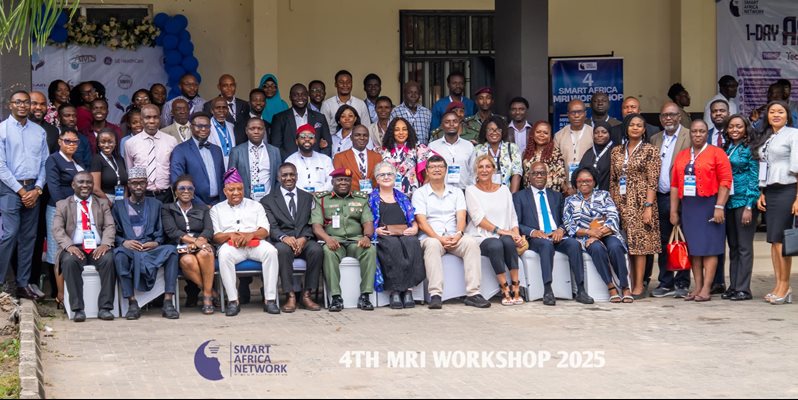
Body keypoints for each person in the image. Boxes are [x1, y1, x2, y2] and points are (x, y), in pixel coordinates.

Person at [413, 155, 489, 309]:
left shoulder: (456, 192)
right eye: (433, 167)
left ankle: (473, 294)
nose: (436, 170)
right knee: (433, 245)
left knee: (471, 243)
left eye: (440, 166)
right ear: (427, 171)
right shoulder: (419, 193)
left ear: (446, 170)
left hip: (455, 236)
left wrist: (459, 233)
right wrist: (438, 238)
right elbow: (421, 221)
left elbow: (461, 215)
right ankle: (435, 294)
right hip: (432, 236)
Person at [670, 119, 732, 302]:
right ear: (690, 134)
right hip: (689, 206)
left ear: (707, 134)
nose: (698, 135)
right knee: (694, 249)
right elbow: (674, 185)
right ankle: (697, 286)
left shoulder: (717, 153)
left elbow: (726, 181)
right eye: (694, 131)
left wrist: (719, 206)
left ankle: (707, 288)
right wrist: (674, 211)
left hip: (710, 205)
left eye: (702, 131)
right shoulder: (681, 155)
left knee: (710, 248)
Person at [515, 161, 594, 305]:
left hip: (557, 235)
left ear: (547, 176)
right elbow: (516, 223)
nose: (539, 176)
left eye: (542, 173)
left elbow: (567, 219)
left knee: (574, 244)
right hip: (537, 238)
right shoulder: (519, 197)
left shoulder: (557, 196)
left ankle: (581, 290)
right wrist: (533, 232)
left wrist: (561, 229)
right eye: (535, 173)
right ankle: (547, 290)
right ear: (529, 177)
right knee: (546, 245)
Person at [111, 166, 179, 320]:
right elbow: (113, 232)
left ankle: (168, 302)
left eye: (141, 183)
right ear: (128, 184)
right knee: (119, 255)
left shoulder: (155, 204)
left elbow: (161, 231)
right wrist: (124, 242)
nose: (138, 187)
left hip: (150, 248)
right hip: (130, 248)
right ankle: (132, 303)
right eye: (134, 183)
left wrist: (156, 243)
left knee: (172, 251)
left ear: (147, 183)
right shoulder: (119, 206)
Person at [211, 168, 281, 316]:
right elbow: (216, 236)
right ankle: (233, 301)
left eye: (239, 189)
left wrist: (250, 235)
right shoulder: (216, 209)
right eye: (232, 190)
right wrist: (231, 235)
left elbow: (265, 230)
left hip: (254, 243)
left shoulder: (256, 205)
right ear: (225, 191)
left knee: (272, 251)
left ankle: (270, 300)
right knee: (223, 255)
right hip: (232, 247)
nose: (236, 193)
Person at [0, 90, 48, 300]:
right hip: (10, 189)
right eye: (18, 102)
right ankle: (1, 282)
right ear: (10, 105)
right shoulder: (2, 130)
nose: (22, 106)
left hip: (33, 189)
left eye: (26, 103)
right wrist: (21, 191)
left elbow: (46, 163)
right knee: (9, 234)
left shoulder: (39, 132)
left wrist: (37, 189)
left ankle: (22, 284)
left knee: (29, 238)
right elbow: (0, 166)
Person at [51, 172, 116, 322]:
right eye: (81, 182)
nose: (85, 185)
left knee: (109, 260)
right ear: (73, 185)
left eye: (89, 182)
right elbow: (57, 229)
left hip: (98, 247)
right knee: (69, 262)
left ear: (93, 185)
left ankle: (105, 308)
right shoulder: (63, 204)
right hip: (74, 247)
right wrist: (69, 246)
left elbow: (110, 226)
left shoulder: (102, 203)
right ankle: (78, 309)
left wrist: (106, 244)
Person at [310, 168, 377, 312]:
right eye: (339, 180)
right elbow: (316, 226)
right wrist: (327, 239)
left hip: (355, 241)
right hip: (334, 242)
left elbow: (368, 223)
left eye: (346, 180)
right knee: (328, 252)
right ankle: (335, 297)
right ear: (332, 182)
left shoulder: (361, 198)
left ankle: (365, 296)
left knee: (370, 250)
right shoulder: (321, 199)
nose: (343, 183)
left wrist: (367, 237)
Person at [609, 113, 661, 299]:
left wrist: (648, 206)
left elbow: (652, 181)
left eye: (639, 125)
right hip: (621, 204)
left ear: (644, 130)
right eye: (632, 125)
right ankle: (627, 284)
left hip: (641, 203)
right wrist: (612, 207)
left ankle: (639, 285)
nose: (636, 128)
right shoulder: (616, 151)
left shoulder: (650, 150)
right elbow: (613, 181)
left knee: (640, 247)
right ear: (626, 128)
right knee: (626, 245)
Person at [563, 166, 632, 303]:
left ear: (594, 182)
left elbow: (613, 216)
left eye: (588, 180)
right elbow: (569, 225)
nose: (584, 183)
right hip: (585, 237)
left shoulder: (604, 195)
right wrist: (589, 233)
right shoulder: (570, 201)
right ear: (575, 183)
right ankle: (610, 286)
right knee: (596, 249)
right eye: (580, 181)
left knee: (615, 247)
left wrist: (597, 235)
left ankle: (625, 286)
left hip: (607, 233)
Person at [752, 100, 798, 304]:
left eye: (780, 112)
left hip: (788, 190)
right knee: (773, 241)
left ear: (787, 115)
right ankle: (778, 284)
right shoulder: (768, 136)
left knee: (782, 241)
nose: (776, 115)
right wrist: (762, 191)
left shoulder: (793, 134)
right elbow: (765, 165)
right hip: (771, 191)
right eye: (772, 112)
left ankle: (785, 286)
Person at [261, 163, 323, 312]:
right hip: (283, 241)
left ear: (296, 176)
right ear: (278, 178)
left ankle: (307, 295)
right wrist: (283, 237)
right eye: (284, 175)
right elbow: (271, 226)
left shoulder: (308, 197)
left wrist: (304, 238)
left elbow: (312, 222)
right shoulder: (267, 200)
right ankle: (290, 295)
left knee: (317, 250)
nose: (288, 178)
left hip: (304, 239)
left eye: (291, 175)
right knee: (281, 251)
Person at [466, 155, 526, 306]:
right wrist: (503, 231)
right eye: (481, 167)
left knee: (508, 241)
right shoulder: (471, 190)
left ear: (494, 170)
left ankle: (516, 286)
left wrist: (516, 234)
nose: (484, 170)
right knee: (495, 244)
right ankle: (504, 288)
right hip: (481, 236)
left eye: (488, 167)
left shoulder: (504, 189)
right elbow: (478, 219)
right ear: (476, 171)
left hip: (505, 234)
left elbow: (512, 216)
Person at [368, 162, 426, 309]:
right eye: (382, 175)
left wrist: (414, 227)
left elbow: (412, 218)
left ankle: (408, 290)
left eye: (390, 174)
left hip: (404, 233)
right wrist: (375, 230)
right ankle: (395, 290)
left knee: (412, 243)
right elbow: (367, 220)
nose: (386, 177)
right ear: (377, 179)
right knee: (392, 246)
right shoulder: (371, 198)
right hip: (384, 235)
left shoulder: (403, 197)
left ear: (395, 177)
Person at [649, 103, 692, 298]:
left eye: (672, 115)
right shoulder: (654, 139)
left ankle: (682, 282)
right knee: (663, 242)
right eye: (665, 115)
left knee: (683, 241)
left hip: (683, 198)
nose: (668, 118)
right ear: (660, 118)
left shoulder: (689, 136)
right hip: (660, 197)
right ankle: (666, 282)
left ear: (679, 117)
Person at [162, 175, 217, 314]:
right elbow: (172, 231)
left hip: (202, 244)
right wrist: (193, 242)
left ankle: (207, 297)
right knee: (188, 260)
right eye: (182, 188)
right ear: (175, 192)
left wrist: (200, 242)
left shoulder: (203, 208)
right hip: (181, 246)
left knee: (206, 253)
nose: (186, 191)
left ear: (194, 192)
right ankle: (210, 291)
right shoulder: (167, 208)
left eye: (189, 188)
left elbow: (209, 229)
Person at [45, 128, 86, 300]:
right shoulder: (53, 160)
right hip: (58, 210)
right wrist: (65, 209)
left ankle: (70, 293)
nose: (71, 144)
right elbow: (53, 187)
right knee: (58, 251)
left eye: (74, 141)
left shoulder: (76, 160)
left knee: (72, 248)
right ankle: (59, 294)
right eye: (67, 141)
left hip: (77, 210)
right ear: (60, 142)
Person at [722, 115, 759, 301]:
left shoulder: (750, 149)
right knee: (733, 246)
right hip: (728, 202)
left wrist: (749, 206)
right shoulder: (726, 147)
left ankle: (744, 288)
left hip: (744, 201)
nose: (734, 129)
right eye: (731, 126)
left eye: (739, 126)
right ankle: (734, 285)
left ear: (746, 128)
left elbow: (754, 178)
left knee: (744, 247)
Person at [124, 104, 178, 204]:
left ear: (160, 118)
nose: (152, 121)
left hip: (166, 195)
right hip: (142, 195)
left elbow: (175, 168)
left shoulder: (171, 141)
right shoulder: (130, 143)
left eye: (155, 117)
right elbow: (130, 172)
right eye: (147, 117)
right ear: (141, 120)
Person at [170, 111, 225, 206]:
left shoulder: (217, 150)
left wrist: (222, 202)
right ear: (191, 127)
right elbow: (177, 182)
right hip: (193, 205)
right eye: (199, 126)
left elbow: (222, 178)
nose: (203, 129)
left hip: (218, 204)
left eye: (207, 126)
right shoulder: (180, 150)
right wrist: (200, 205)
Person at [271, 83, 332, 159]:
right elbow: (275, 146)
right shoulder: (279, 118)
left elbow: (327, 144)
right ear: (290, 97)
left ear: (308, 96)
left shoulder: (319, 117)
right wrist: (289, 162)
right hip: (289, 165)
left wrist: (320, 160)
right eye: (296, 95)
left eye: (303, 94)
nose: (300, 98)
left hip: (315, 164)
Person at [379, 117, 435, 197]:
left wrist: (424, 189)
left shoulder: (417, 148)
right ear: (392, 132)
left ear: (409, 132)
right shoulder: (383, 150)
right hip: (389, 194)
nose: (401, 132)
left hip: (412, 194)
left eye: (404, 129)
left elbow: (432, 167)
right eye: (397, 130)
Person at [228, 117, 281, 201]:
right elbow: (231, 179)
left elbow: (279, 178)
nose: (256, 132)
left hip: (269, 200)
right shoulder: (236, 151)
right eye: (252, 129)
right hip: (245, 200)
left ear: (264, 131)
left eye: (260, 129)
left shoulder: (274, 151)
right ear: (246, 131)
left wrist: (274, 197)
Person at [553, 100, 593, 194]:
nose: (576, 115)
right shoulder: (559, 136)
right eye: (573, 112)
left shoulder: (593, 133)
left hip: (589, 187)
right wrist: (565, 188)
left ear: (585, 113)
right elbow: (555, 164)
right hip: (567, 189)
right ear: (568, 114)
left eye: (579, 112)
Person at [428, 110, 475, 190]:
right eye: (447, 122)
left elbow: (473, 172)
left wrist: (471, 190)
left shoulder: (468, 146)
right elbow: (429, 172)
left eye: (455, 121)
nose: (452, 124)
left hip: (464, 191)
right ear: (442, 126)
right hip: (440, 191)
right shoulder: (433, 146)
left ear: (459, 124)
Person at [474, 116, 523, 192]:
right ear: (485, 131)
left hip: (506, 194)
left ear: (502, 132)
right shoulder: (478, 149)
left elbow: (517, 174)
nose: (494, 132)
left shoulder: (512, 148)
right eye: (490, 129)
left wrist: (512, 197)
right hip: (483, 193)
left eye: (498, 130)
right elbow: (474, 175)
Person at [285, 124, 334, 193]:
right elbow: (289, 182)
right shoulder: (290, 161)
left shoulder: (325, 160)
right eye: (303, 137)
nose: (307, 139)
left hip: (322, 198)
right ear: (296, 141)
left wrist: (319, 193)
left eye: (311, 137)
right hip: (299, 199)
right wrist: (305, 195)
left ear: (315, 140)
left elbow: (331, 180)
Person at [333, 124, 383, 192]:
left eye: (365, 135)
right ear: (351, 137)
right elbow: (339, 181)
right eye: (357, 135)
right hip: (350, 198)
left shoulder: (377, 157)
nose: (362, 138)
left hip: (373, 197)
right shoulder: (339, 157)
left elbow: (380, 179)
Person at [522, 121, 567, 192]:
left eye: (545, 133)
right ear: (533, 134)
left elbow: (560, 180)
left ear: (550, 136)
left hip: (550, 196)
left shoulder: (556, 154)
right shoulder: (526, 154)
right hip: (530, 196)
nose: (541, 135)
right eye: (538, 132)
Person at [201, 74, 250, 139]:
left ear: (235, 86)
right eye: (225, 86)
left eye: (232, 85)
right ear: (219, 87)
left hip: (241, 145)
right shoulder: (209, 105)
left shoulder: (244, 104)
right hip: (221, 144)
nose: (229, 88)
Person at [90, 129, 128, 204]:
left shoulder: (120, 159)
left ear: (115, 143)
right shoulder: (97, 159)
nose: (106, 145)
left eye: (110, 142)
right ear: (98, 143)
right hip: (105, 201)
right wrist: (110, 204)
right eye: (103, 142)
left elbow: (125, 184)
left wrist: (124, 202)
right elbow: (95, 189)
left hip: (121, 199)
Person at [390, 81, 432, 145]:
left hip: (424, 152)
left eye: (416, 93)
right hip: (403, 152)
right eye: (410, 92)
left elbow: (430, 134)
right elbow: (391, 134)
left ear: (419, 95)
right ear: (404, 94)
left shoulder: (427, 112)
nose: (413, 95)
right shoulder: (395, 112)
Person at [579, 120, 615, 191]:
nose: (600, 135)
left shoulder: (615, 152)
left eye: (604, 132)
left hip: (608, 196)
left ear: (610, 134)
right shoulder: (588, 153)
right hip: (588, 196)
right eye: (596, 132)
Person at [206, 96, 239, 167]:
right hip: (214, 166)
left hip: (232, 167)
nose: (221, 110)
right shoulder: (206, 127)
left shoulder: (231, 126)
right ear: (212, 110)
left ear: (227, 110)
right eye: (218, 108)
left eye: (224, 107)